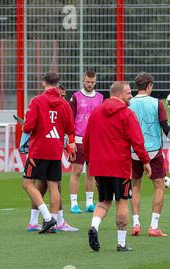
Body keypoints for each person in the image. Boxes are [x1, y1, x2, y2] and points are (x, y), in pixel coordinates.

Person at [84, 81, 152, 252]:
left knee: (103, 201)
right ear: (120, 94)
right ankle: (121, 243)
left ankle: (94, 227)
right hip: (119, 166)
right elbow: (137, 141)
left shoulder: (96, 112)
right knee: (121, 201)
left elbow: (87, 139)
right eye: (128, 93)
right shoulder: (127, 114)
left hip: (99, 166)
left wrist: (89, 160)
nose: (131, 96)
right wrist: (145, 161)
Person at [22, 71, 76, 234]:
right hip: (55, 150)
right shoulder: (64, 104)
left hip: (38, 150)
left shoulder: (37, 101)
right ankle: (50, 221)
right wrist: (70, 144)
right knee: (53, 186)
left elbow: (28, 127)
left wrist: (26, 124)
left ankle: (47, 218)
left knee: (27, 183)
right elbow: (70, 129)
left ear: (43, 83)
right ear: (58, 84)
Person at [129, 72, 170, 237]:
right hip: (153, 152)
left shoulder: (128, 103)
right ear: (149, 86)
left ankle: (136, 224)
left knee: (135, 187)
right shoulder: (156, 103)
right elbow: (165, 127)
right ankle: (153, 226)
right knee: (159, 186)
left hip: (133, 151)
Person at [69, 70, 104, 214]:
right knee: (76, 171)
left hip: (94, 140)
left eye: (92, 82)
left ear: (95, 81)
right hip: (78, 140)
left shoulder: (101, 98)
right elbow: (70, 119)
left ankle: (89, 202)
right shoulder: (75, 97)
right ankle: (74, 204)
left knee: (92, 172)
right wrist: (70, 140)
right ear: (83, 81)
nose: (90, 84)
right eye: (87, 81)